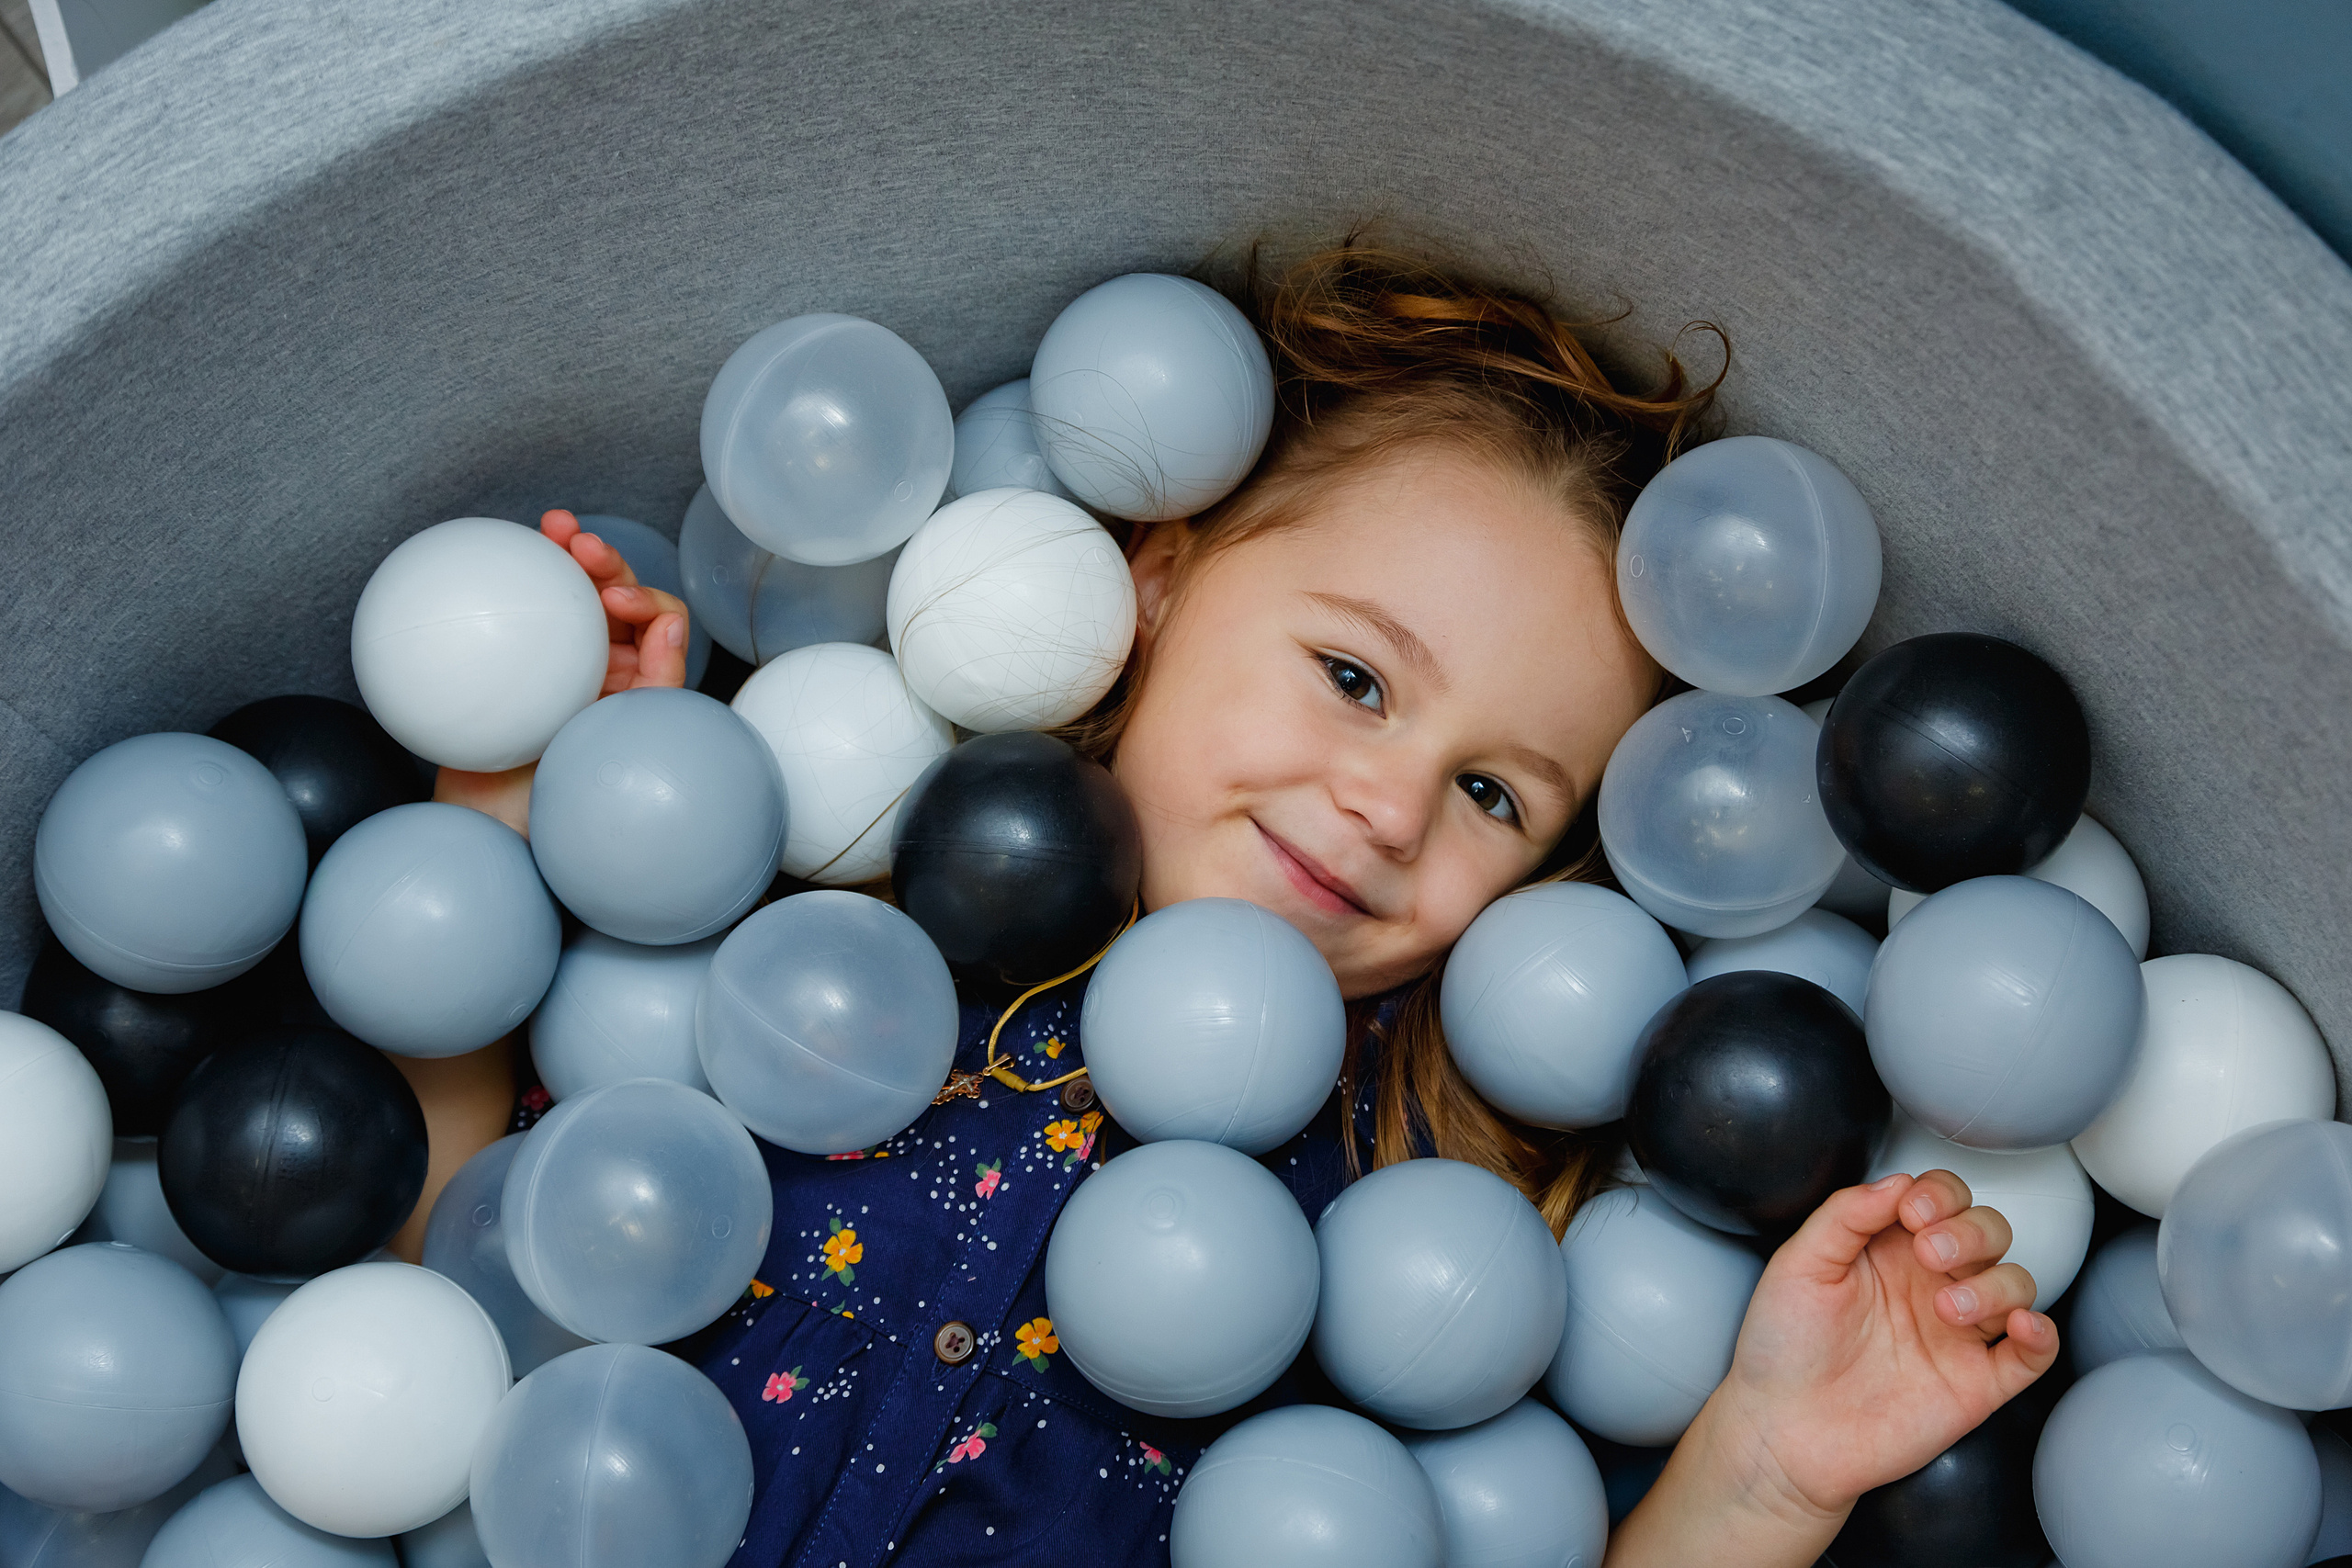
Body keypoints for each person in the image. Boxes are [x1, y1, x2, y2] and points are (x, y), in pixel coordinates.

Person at [428, 240, 2059, 1568]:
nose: (1389, 804)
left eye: (1496, 795)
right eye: (1354, 676)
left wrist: (1765, 1473)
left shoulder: (1423, 1227)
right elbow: (446, 1281)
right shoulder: (826, 929)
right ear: (1153, 584)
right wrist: (515, 829)